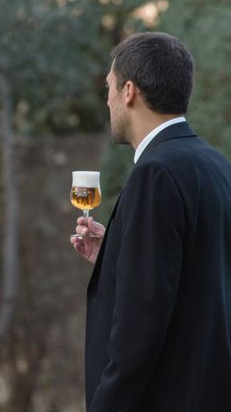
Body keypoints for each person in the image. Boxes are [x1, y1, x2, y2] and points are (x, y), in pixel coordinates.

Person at [70, 32, 231, 411]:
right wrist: (118, 256)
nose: (107, 99)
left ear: (129, 91)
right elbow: (196, 274)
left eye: (109, 87)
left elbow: (139, 326)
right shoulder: (216, 165)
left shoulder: (155, 173)